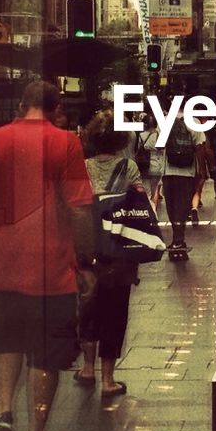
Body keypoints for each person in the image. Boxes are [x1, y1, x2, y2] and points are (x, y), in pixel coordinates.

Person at [0, 79, 96, 431]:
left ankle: (3, 410)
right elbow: (79, 207)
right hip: (51, 264)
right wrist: (85, 261)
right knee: (46, 350)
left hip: (3, 260)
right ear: (55, 109)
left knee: (7, 337)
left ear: (21, 105)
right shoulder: (65, 142)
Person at [75, 112, 139, 396]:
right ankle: (108, 379)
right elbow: (141, 207)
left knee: (88, 306)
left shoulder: (82, 167)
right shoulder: (130, 168)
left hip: (88, 247)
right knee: (115, 310)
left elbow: (74, 206)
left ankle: (87, 368)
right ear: (121, 139)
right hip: (120, 248)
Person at [161, 115, 207, 261]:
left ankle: (177, 239)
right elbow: (200, 147)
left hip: (168, 172)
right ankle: (179, 239)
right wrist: (202, 170)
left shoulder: (165, 120)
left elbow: (159, 145)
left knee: (172, 207)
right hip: (187, 172)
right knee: (183, 207)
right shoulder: (195, 122)